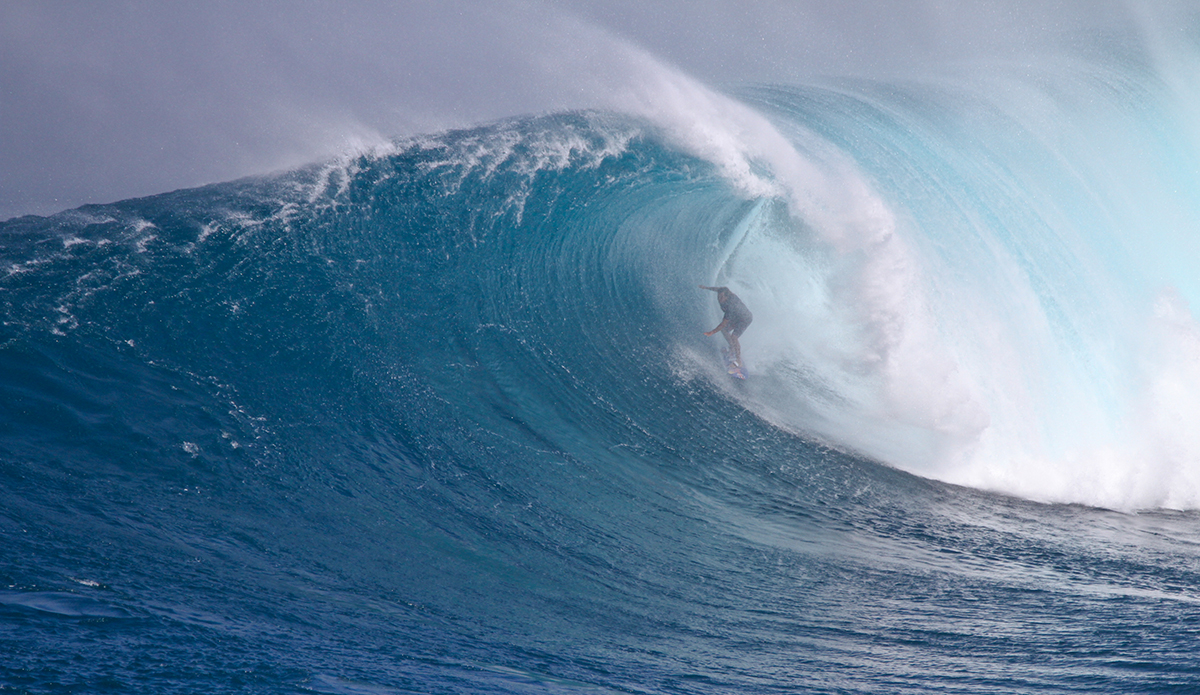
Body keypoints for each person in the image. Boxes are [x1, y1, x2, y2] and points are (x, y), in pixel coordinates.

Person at [700, 285, 752, 367]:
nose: (719, 299)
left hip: (745, 319)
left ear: (727, 297)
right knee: (724, 330)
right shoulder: (726, 293)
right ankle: (732, 347)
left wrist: (712, 332)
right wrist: (706, 288)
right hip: (737, 316)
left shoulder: (730, 306)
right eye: (718, 296)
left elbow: (723, 323)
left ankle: (739, 361)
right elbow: (718, 289)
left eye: (721, 297)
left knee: (734, 337)